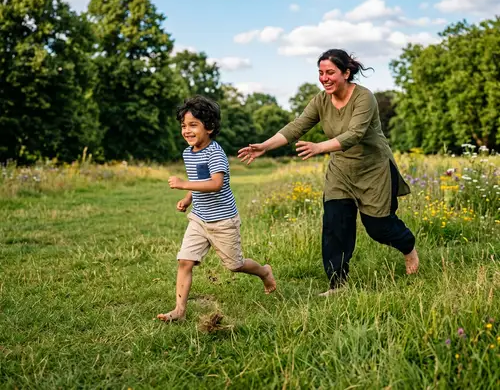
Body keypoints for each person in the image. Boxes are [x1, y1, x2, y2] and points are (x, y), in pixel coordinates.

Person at [238, 49, 419, 296]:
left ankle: (408, 247)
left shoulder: (364, 98)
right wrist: (265, 147)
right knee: (335, 225)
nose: (324, 78)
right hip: (340, 173)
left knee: (378, 227)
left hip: (372, 170)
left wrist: (319, 147)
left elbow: (355, 134)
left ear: (346, 73)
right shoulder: (321, 100)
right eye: (321, 73)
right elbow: (297, 126)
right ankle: (337, 284)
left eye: (330, 72)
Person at [157, 95, 276, 322]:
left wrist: (183, 183)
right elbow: (198, 180)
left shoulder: (215, 153)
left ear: (209, 127)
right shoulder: (188, 153)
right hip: (200, 219)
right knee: (185, 261)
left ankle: (264, 271)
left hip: (223, 221)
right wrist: (188, 198)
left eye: (194, 125)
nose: (187, 131)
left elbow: (215, 183)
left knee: (235, 265)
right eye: (184, 126)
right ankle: (179, 311)